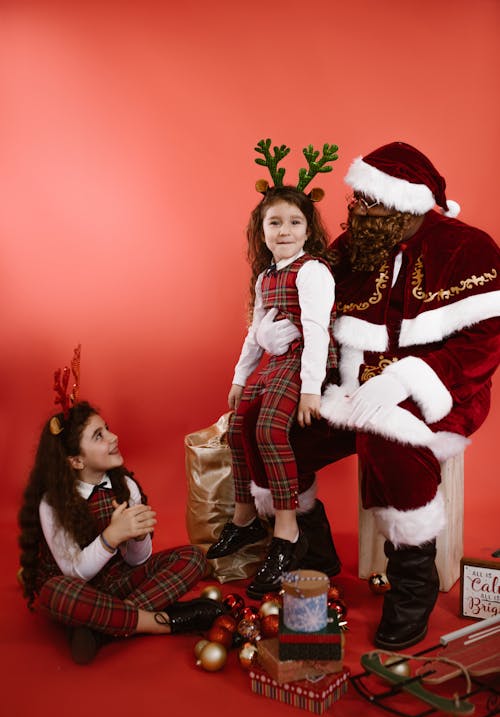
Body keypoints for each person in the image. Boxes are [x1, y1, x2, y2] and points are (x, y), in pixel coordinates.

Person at [242, 141, 500, 648]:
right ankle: (312, 549)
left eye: (367, 200)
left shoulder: (467, 247)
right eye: (355, 200)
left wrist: (405, 380)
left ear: (403, 200)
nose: (355, 210)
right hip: (347, 385)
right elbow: (308, 305)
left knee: (390, 432)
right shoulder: (353, 244)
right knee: (263, 424)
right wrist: (277, 334)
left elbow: (485, 340)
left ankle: (413, 582)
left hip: (439, 390)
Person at [207, 176, 340, 599]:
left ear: (308, 230)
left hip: (307, 362)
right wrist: (239, 377)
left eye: (294, 223)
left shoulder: (312, 270)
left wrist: (311, 389)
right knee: (238, 423)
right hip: (279, 361)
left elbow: (317, 330)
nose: (284, 232)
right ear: (260, 231)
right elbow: (255, 332)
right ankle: (244, 518)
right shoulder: (266, 277)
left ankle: (287, 532)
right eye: (274, 223)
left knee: (268, 429)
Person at [18, 399, 226, 664]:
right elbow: (74, 573)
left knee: (194, 557)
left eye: (107, 428)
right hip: (78, 588)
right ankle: (160, 623)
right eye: (99, 435)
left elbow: (137, 561)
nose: (113, 437)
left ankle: (100, 631)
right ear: (77, 461)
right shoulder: (52, 503)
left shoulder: (125, 485)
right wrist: (111, 536)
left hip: (120, 583)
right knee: (55, 590)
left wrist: (138, 538)